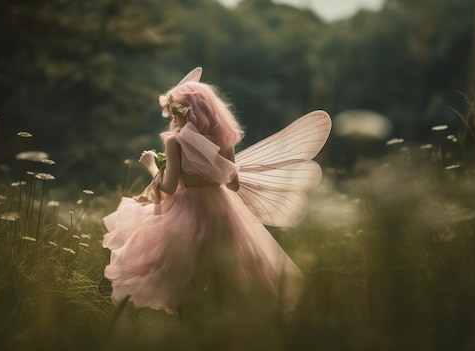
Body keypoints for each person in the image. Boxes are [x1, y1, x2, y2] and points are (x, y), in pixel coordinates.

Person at [102, 68, 330, 316]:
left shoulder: (175, 141)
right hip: (222, 212)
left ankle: (192, 327)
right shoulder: (225, 141)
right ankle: (219, 327)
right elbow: (233, 185)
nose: (170, 117)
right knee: (223, 275)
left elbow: (167, 186)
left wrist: (151, 165)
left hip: (184, 213)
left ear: (184, 111)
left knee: (185, 277)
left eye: (173, 111)